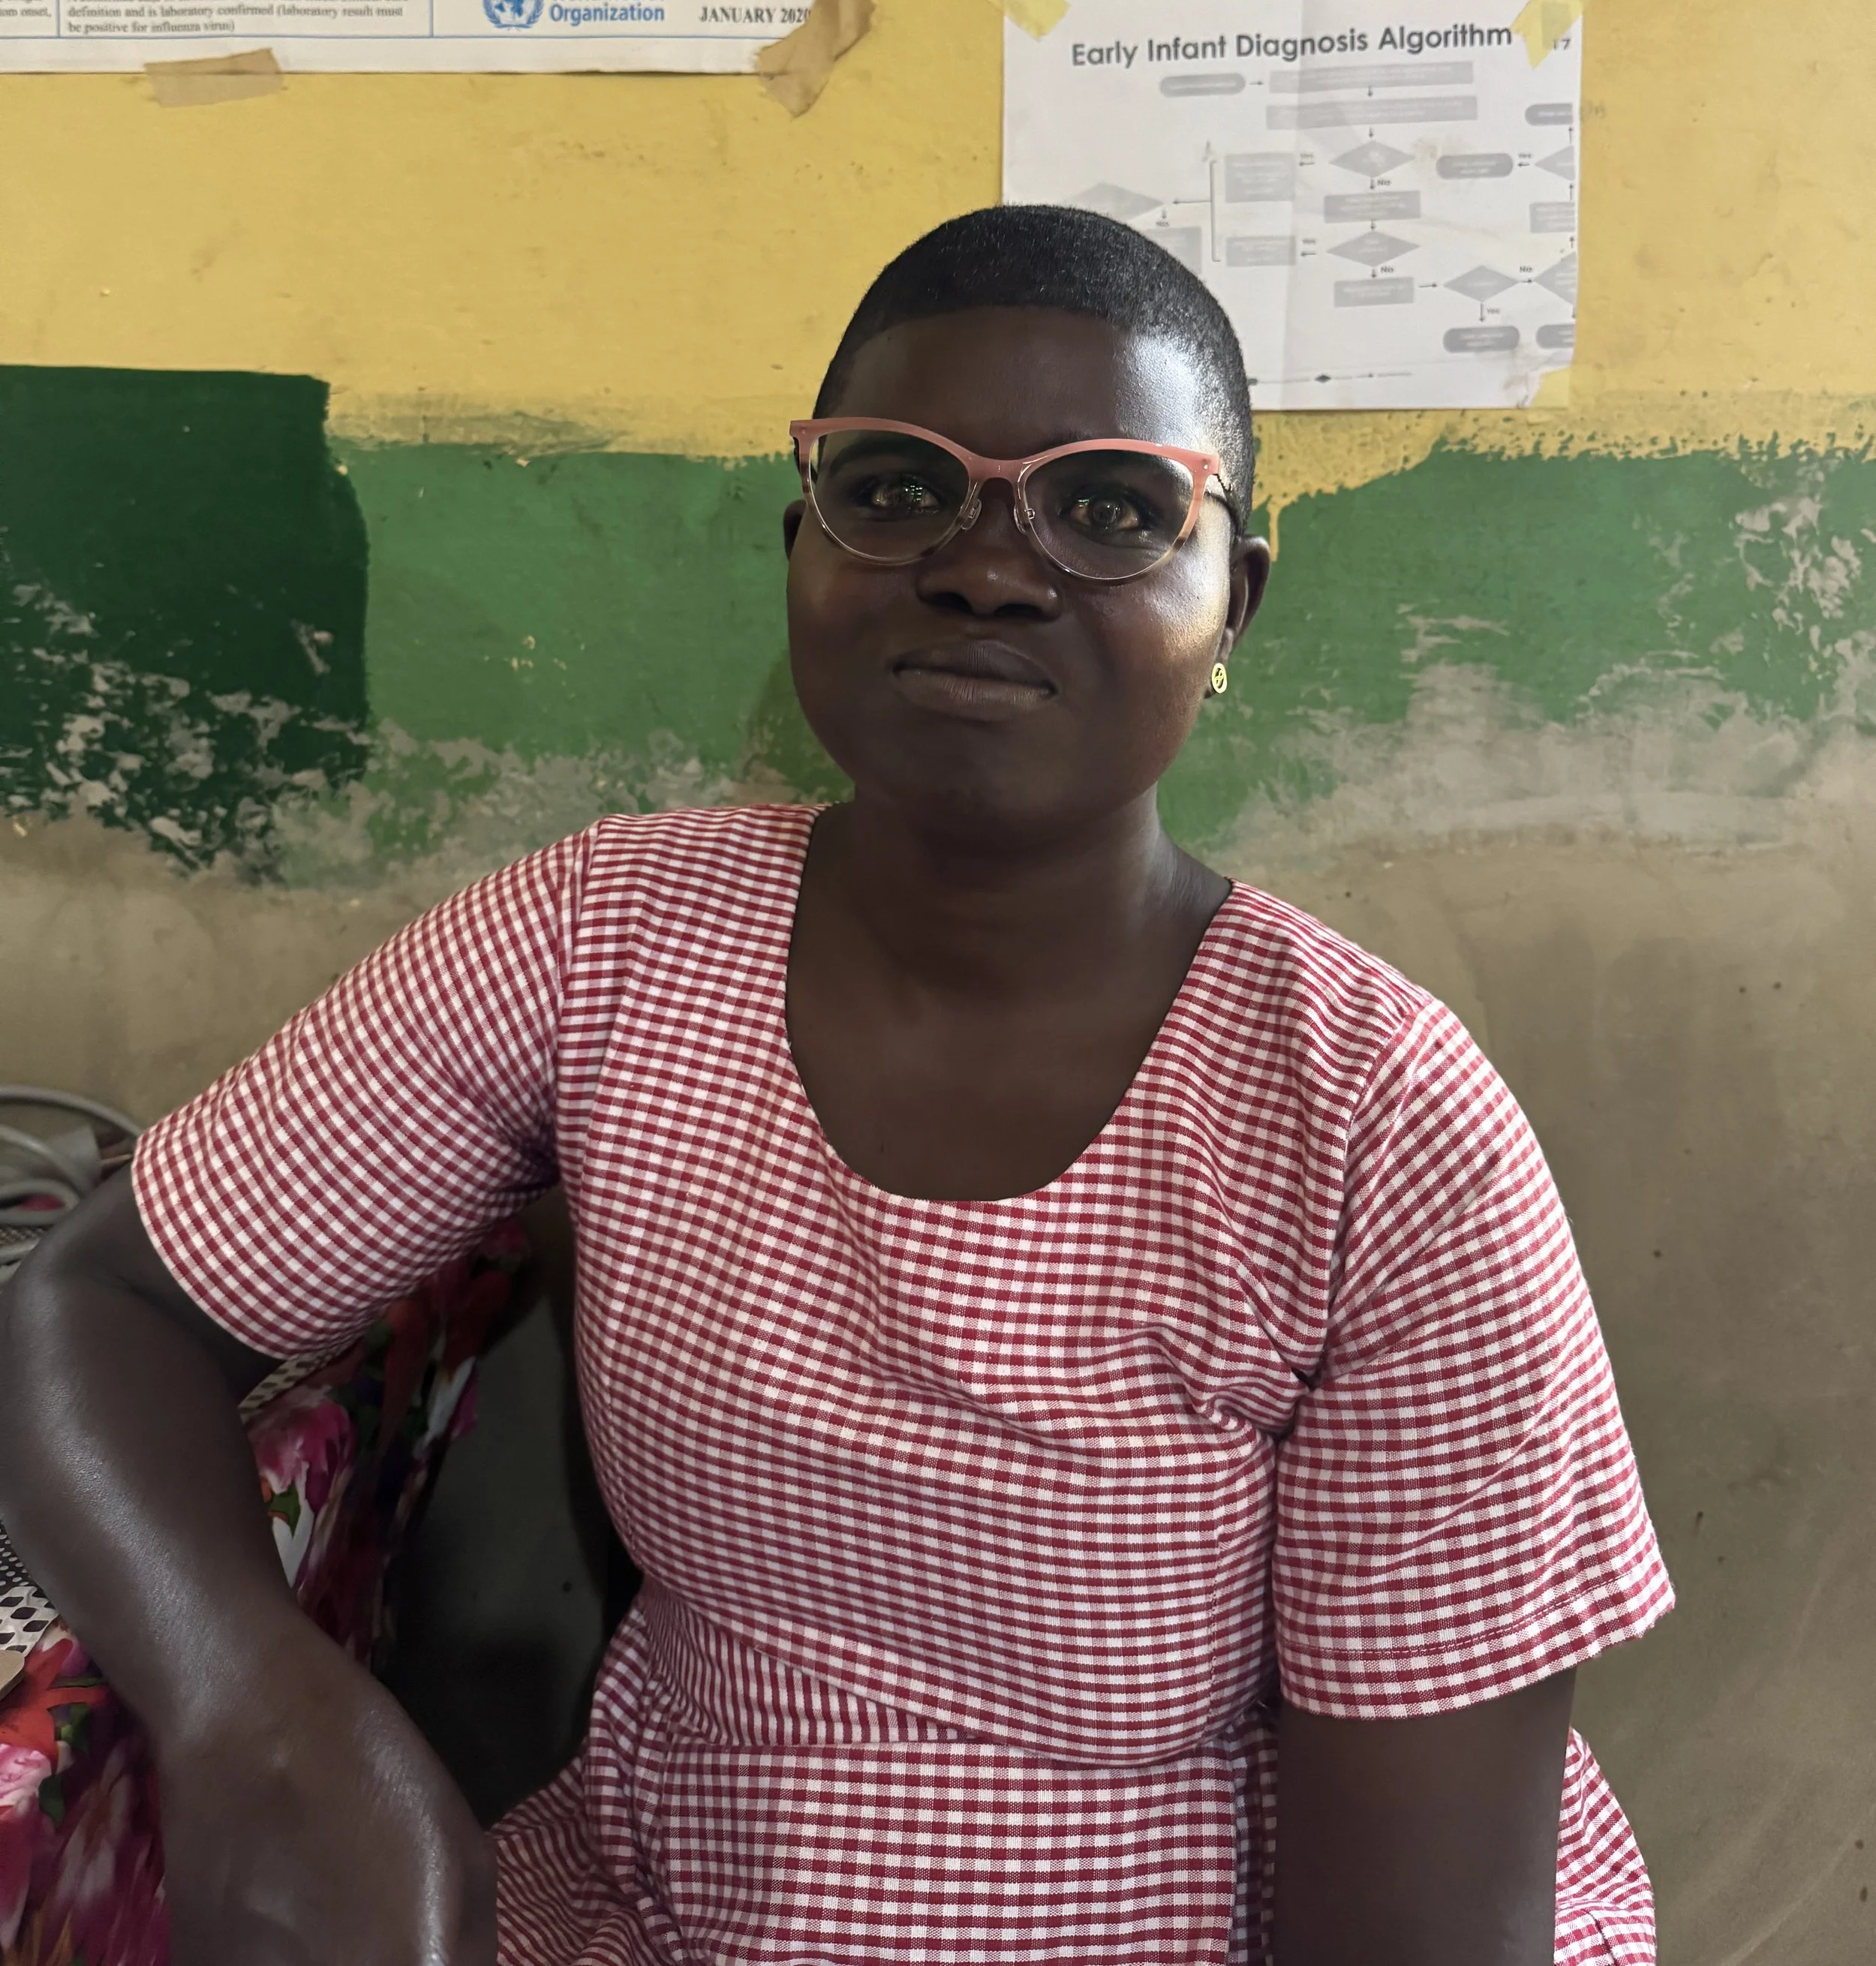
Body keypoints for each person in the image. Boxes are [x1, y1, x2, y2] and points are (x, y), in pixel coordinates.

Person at [0, 206, 1673, 1966]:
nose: (986, 562)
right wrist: (256, 1710)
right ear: (804, 542)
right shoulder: (606, 943)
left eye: (1110, 508)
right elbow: (101, 1302)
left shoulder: (1375, 1121)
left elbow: (1417, 1937)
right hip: (690, 1898)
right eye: (897, 487)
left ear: (1230, 598)